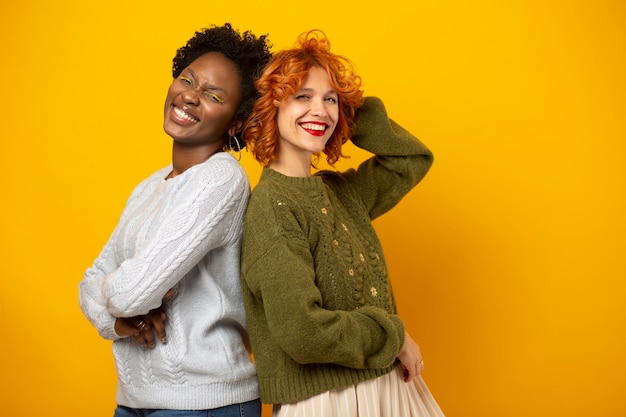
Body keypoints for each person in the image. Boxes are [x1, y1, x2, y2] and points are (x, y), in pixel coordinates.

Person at [240, 30, 445, 416]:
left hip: (386, 388)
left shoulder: (341, 193)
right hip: (328, 403)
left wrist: (350, 107)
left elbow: (412, 160)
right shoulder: (271, 206)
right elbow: (303, 331)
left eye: (329, 99)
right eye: (302, 96)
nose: (320, 110)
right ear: (272, 107)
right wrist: (394, 337)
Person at [78, 23, 272, 417]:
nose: (190, 96)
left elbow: (131, 291)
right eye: (187, 79)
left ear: (236, 122)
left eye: (214, 95)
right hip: (135, 399)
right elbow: (90, 281)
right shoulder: (149, 186)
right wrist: (118, 322)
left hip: (205, 401)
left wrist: (124, 295)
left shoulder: (221, 180)